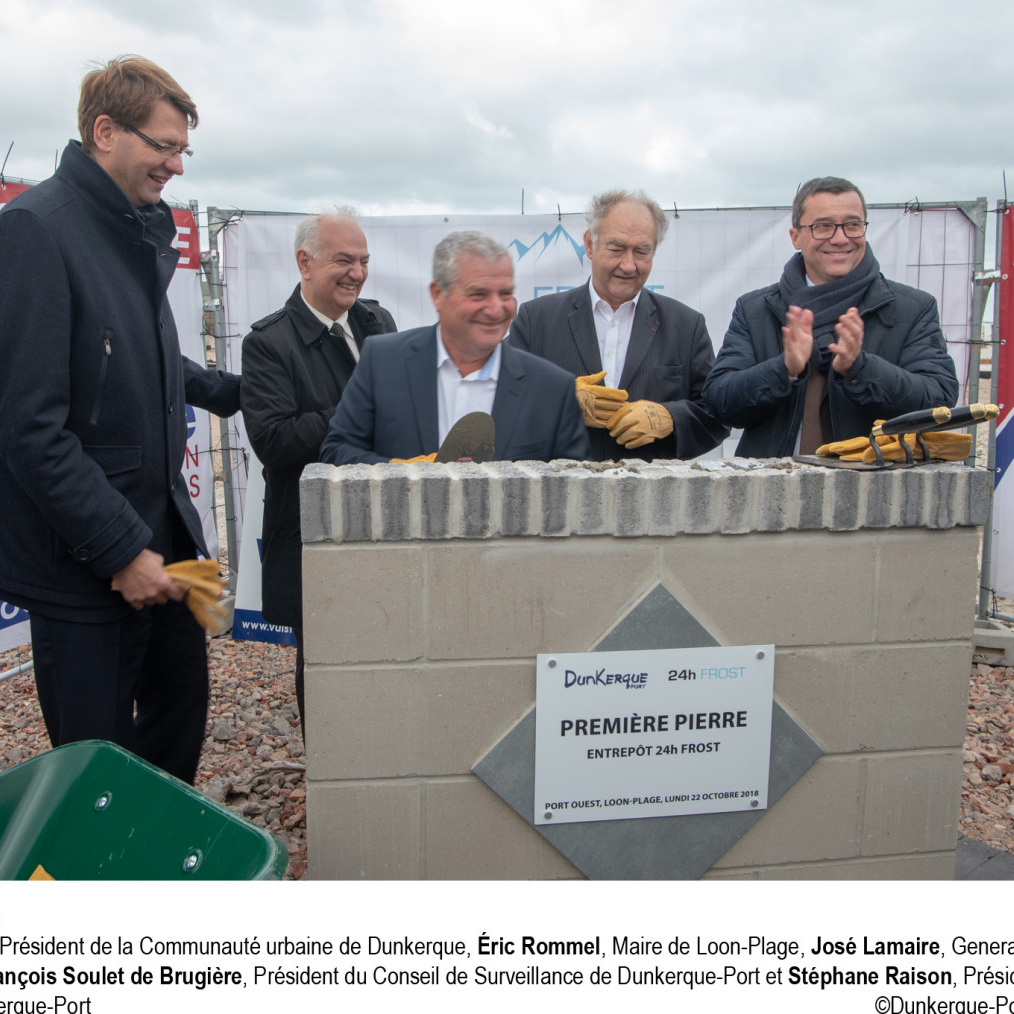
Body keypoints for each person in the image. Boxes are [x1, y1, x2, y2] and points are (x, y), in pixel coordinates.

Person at [0, 56, 240, 784]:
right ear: (105, 131)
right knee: (98, 772)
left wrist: (235, 392)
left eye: (183, 150)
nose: (176, 166)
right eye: (162, 146)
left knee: (181, 717)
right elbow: (25, 424)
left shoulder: (133, 230)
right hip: (81, 565)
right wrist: (119, 551)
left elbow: (142, 364)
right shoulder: (33, 234)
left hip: (160, 539)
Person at [238, 209, 396, 729]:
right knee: (326, 662)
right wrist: (359, 406)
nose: (357, 272)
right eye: (343, 261)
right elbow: (275, 442)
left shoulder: (379, 322)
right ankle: (331, 779)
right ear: (304, 263)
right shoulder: (269, 343)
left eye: (364, 261)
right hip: (316, 534)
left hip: (386, 522)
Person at [702, 176, 959, 457]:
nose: (840, 238)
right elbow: (720, 402)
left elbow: (938, 403)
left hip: (872, 489)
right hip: (770, 490)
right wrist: (783, 369)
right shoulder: (756, 309)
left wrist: (860, 368)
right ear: (796, 237)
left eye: (852, 225)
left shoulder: (913, 308)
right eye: (823, 227)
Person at [321, 230, 589, 465]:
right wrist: (401, 471)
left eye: (506, 294)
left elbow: (574, 488)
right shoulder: (382, 361)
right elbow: (336, 452)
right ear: (438, 294)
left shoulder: (553, 388)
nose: (497, 309)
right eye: (478, 294)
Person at [506, 189, 726, 461]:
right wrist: (560, 400)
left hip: (652, 498)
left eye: (641, 251)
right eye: (616, 249)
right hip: (560, 497)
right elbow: (500, 398)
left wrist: (670, 417)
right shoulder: (536, 320)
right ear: (590, 244)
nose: (628, 264)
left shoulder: (686, 325)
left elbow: (718, 412)